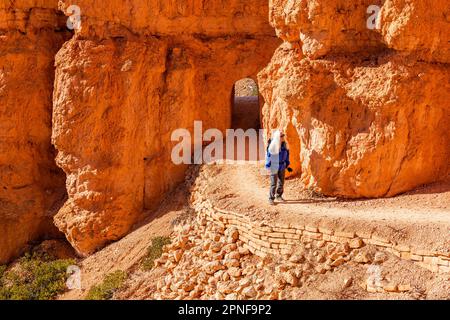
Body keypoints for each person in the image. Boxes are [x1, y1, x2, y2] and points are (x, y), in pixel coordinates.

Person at [265, 130, 293, 205]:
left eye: (283, 135)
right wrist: (268, 166)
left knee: (281, 182)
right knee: (273, 183)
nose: (283, 137)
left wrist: (287, 165)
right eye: (281, 136)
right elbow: (268, 157)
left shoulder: (285, 145)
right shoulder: (273, 146)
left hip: (282, 166)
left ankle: (279, 196)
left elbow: (287, 155)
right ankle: (271, 198)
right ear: (277, 137)